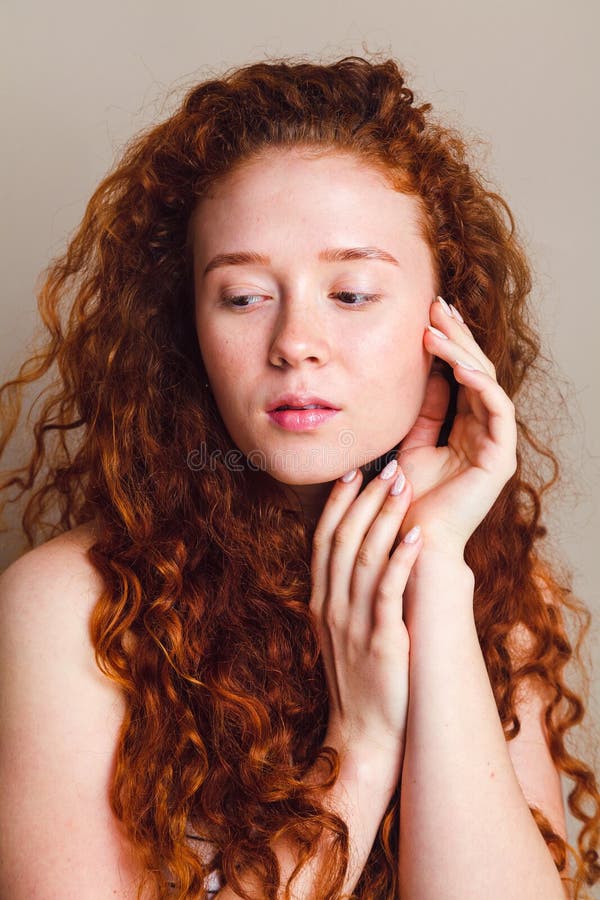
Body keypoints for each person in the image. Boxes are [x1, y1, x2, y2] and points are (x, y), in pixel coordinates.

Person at [0, 53, 598, 900]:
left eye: (352, 293)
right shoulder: (70, 608)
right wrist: (359, 744)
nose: (294, 343)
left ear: (446, 319)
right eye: (243, 297)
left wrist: (433, 572)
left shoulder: (498, 596)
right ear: (187, 330)